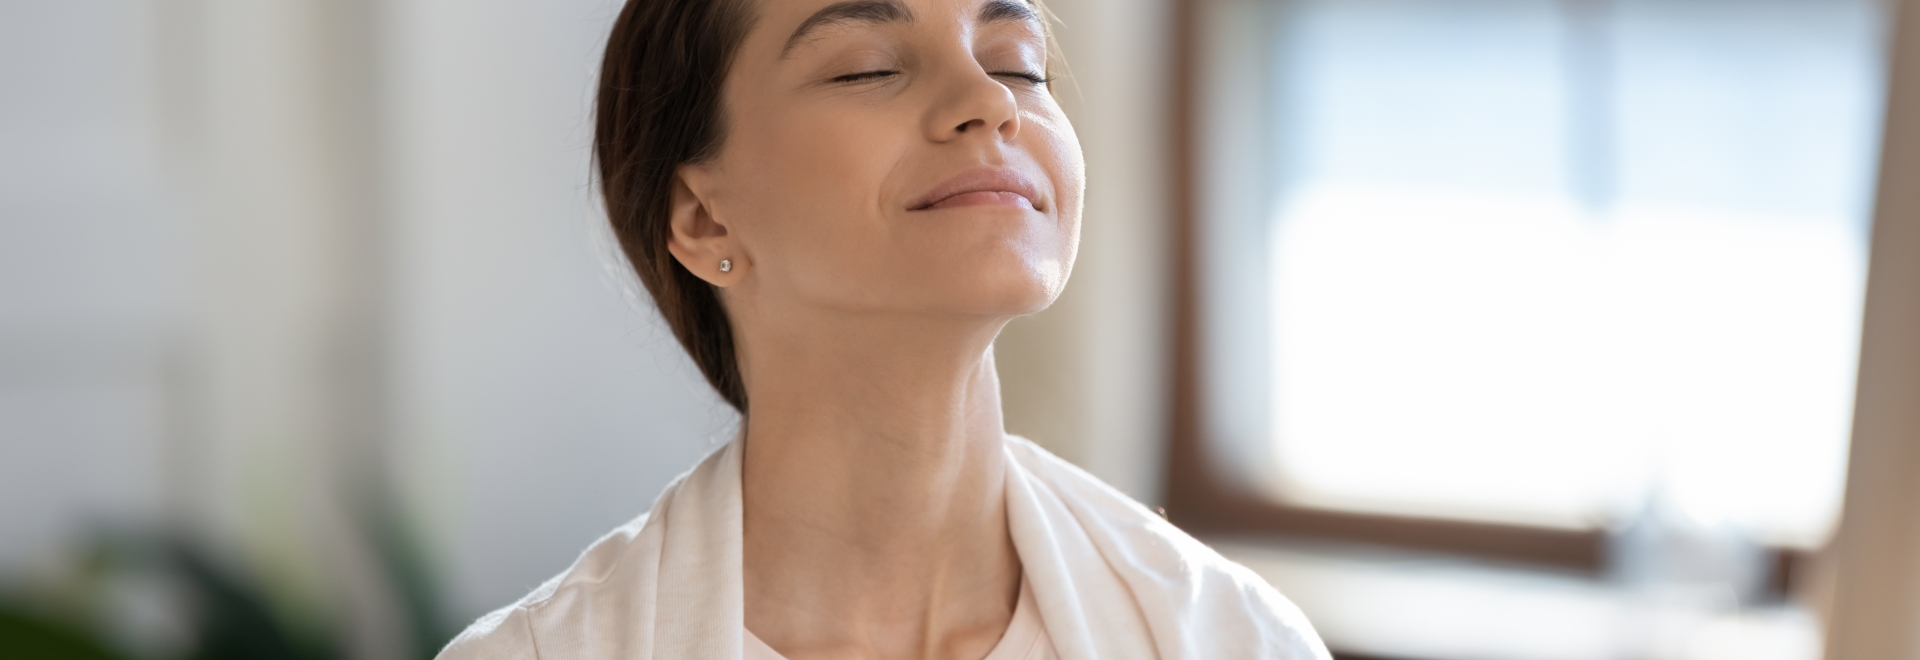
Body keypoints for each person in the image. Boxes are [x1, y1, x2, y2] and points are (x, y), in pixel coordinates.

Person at [438, 0, 1328, 657]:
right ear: (706, 219)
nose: (989, 101)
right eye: (867, 67)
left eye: (1016, 61)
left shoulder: (1232, 637)